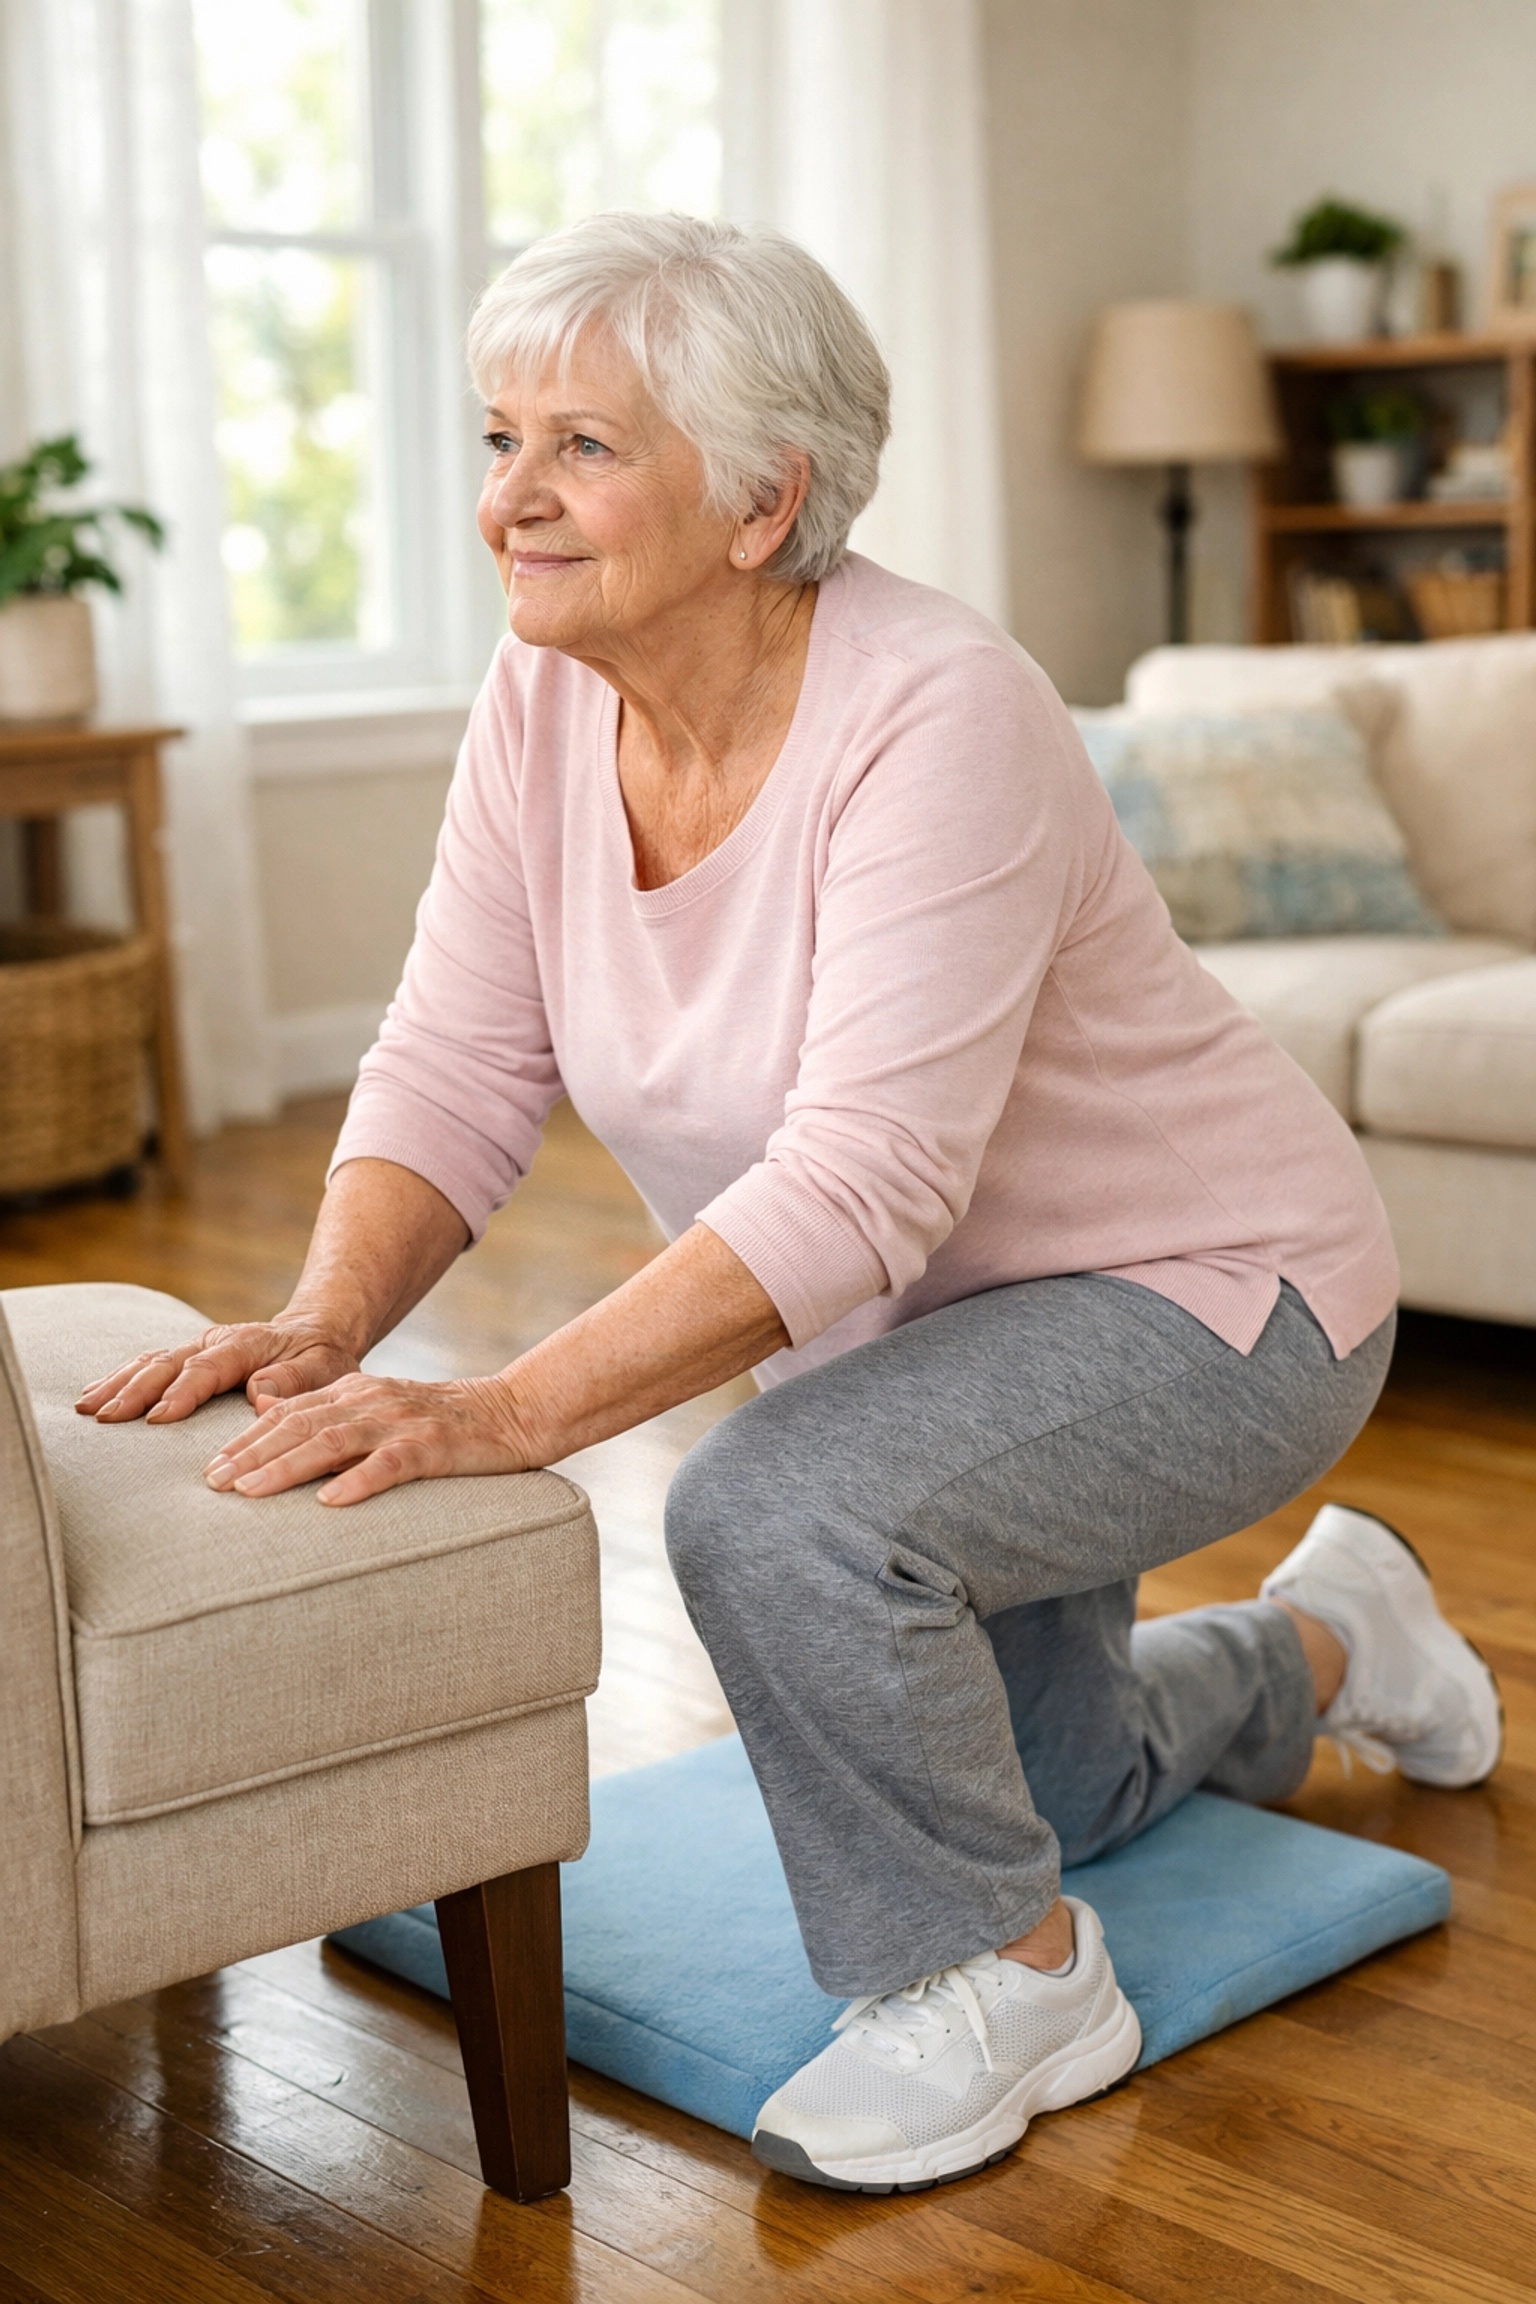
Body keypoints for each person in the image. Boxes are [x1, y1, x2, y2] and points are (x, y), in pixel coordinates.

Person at [78, 212, 1501, 2196]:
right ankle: (1342, 1629)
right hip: (943, 1337)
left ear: (767, 503)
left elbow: (869, 1179)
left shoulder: (943, 711)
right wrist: (330, 1325)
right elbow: (457, 1058)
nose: (510, 502)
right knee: (1063, 1787)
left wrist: (503, 1414)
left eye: (581, 447)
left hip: (1215, 1290)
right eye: (501, 440)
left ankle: (1006, 1978)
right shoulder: (545, 703)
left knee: (776, 1508)